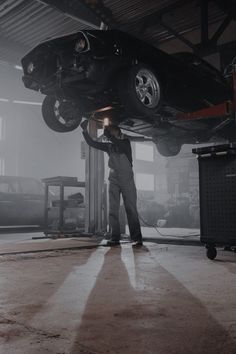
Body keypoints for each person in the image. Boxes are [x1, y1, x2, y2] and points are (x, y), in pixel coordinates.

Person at [80, 119, 143, 247]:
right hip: (113, 178)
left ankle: (136, 238)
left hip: (127, 179)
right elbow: (92, 143)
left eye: (111, 130)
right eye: (108, 131)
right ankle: (115, 238)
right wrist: (84, 131)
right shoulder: (109, 146)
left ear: (118, 131)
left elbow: (119, 144)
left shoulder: (125, 142)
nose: (109, 132)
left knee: (130, 209)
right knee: (112, 209)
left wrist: (109, 136)